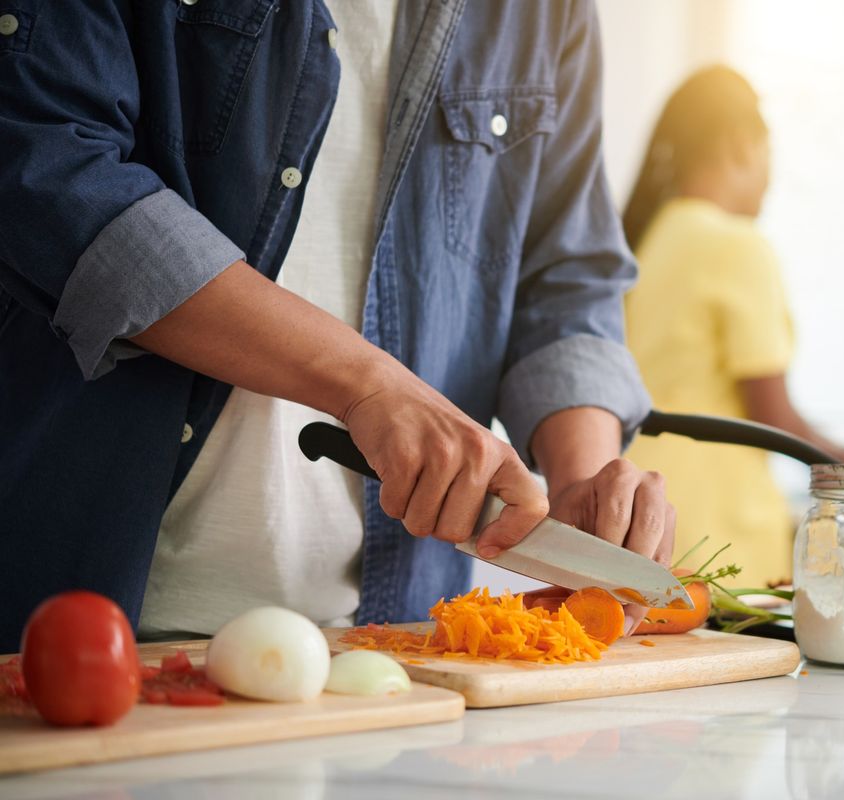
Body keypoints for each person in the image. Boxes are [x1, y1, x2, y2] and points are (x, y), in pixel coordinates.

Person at [0, 1, 673, 651]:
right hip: (86, 621)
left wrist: (584, 484)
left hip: (395, 643)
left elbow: (563, 275)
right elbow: (50, 171)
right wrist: (367, 385)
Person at [621, 67, 844, 587]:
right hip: (719, 526)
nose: (772, 175)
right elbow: (769, 411)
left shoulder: (652, 238)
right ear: (740, 144)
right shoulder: (737, 243)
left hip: (645, 512)